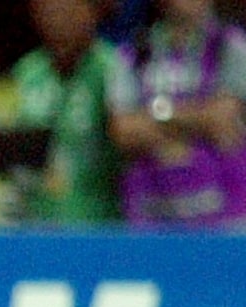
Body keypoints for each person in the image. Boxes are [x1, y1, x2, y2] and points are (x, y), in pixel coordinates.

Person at [107, 0, 246, 225]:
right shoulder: (135, 51)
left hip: (225, 214)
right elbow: (124, 131)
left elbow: (222, 122)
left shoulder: (230, 46)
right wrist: (195, 121)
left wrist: (156, 113)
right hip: (152, 212)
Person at [12, 0, 126, 223]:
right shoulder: (26, 71)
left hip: (99, 224)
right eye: (49, 11)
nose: (58, 20)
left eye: (68, 10)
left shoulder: (113, 68)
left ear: (94, 12)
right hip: (35, 223)